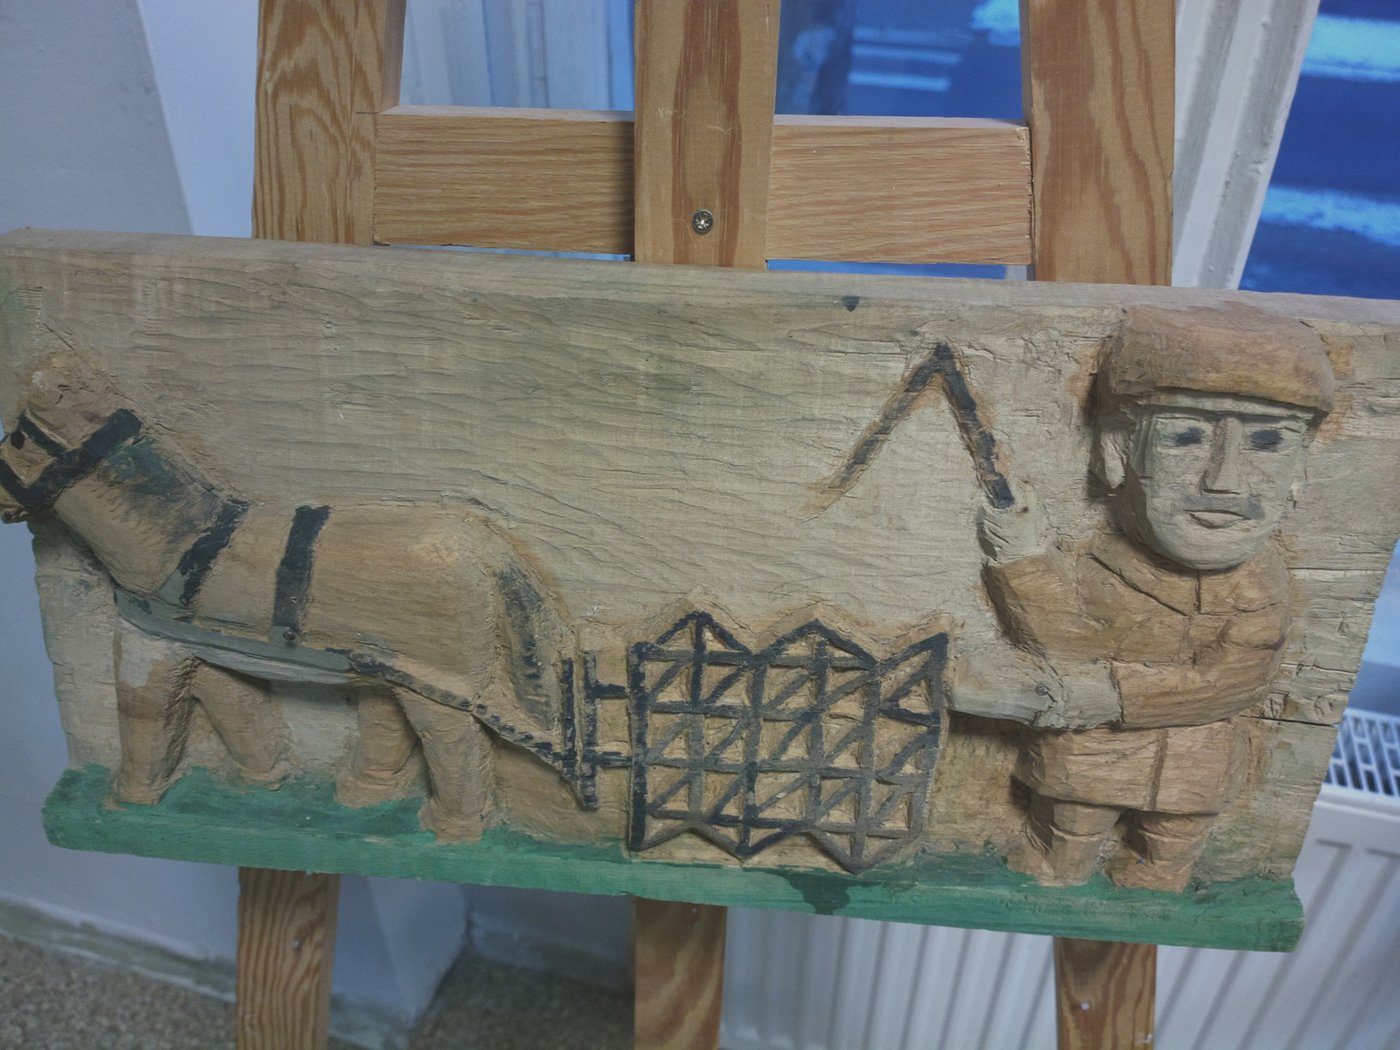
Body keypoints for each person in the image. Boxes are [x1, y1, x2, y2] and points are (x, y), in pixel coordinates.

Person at [977, 303, 1335, 891]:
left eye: (1268, 441)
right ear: (1118, 450)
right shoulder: (1101, 561)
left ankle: (1159, 870)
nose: (1224, 480)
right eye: (1186, 438)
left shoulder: (1259, 584)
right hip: (1092, 755)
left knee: (1173, 840)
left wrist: (1111, 694)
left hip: (1195, 756)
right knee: (1070, 824)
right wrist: (1021, 559)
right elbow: (1062, 640)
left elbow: (1237, 679)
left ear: (1301, 467)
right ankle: (1061, 860)